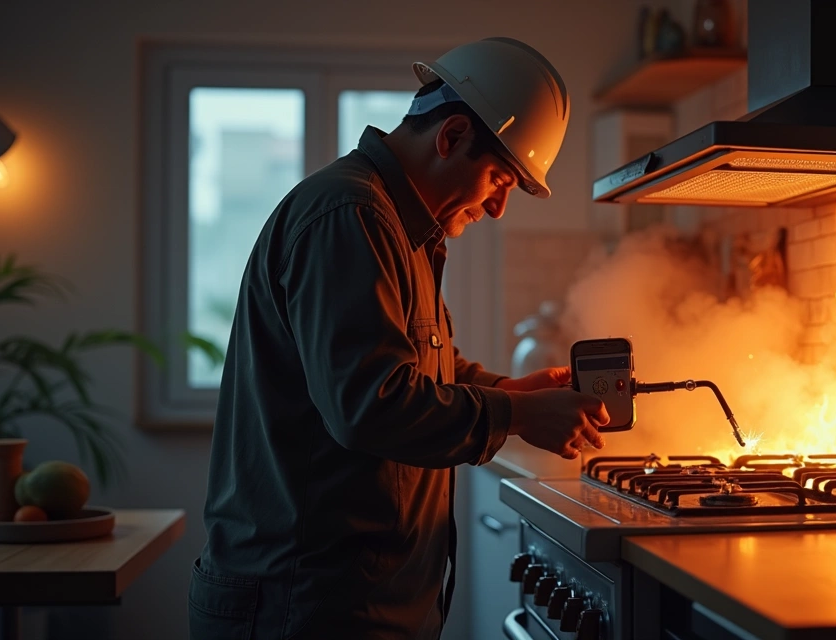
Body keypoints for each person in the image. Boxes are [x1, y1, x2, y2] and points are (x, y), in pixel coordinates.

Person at [189, 37, 609, 640]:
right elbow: (370, 405)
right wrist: (516, 413)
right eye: (499, 180)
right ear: (451, 135)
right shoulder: (351, 216)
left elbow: (418, 367)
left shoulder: (398, 227)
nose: (497, 210)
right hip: (303, 604)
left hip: (344, 601)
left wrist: (510, 391)